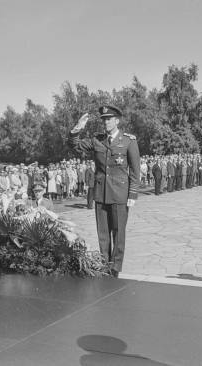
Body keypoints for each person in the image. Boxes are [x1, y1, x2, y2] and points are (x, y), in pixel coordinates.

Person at [69, 105, 140, 278]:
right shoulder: (97, 140)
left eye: (109, 119)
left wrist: (132, 194)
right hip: (101, 193)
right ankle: (104, 265)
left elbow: (135, 170)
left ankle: (115, 268)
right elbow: (76, 146)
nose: (105, 122)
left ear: (117, 120)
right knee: (103, 233)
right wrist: (77, 128)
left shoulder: (129, 141)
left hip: (120, 194)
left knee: (118, 232)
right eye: (103, 119)